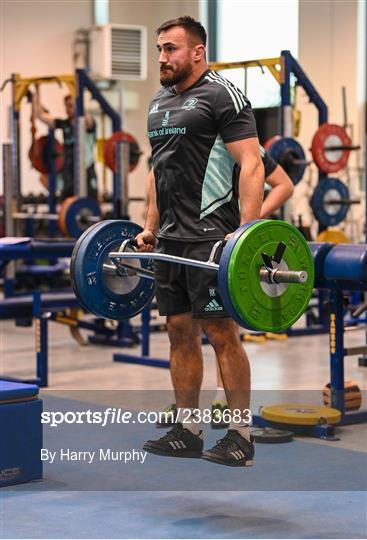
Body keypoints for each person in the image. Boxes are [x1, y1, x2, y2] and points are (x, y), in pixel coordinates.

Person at [136, 16, 264, 467]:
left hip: (212, 235)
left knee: (221, 332)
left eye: (170, 48)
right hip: (171, 239)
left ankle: (240, 435)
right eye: (159, 49)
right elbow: (157, 171)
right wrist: (150, 225)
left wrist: (246, 234)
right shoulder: (157, 103)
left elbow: (251, 164)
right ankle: (188, 429)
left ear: (197, 51)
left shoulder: (221, 94)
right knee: (177, 332)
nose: (162, 58)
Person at [156, 150, 294, 429]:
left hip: (223, 243)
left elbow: (284, 185)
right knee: (182, 330)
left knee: (221, 330)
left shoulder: (240, 143)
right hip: (180, 240)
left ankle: (223, 401)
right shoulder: (182, 137)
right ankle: (187, 411)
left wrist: (248, 222)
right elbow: (157, 179)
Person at [32, 92, 98, 201]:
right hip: (69, 174)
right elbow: (41, 116)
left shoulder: (87, 123)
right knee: (66, 207)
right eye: (66, 106)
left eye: (71, 105)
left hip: (86, 172)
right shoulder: (64, 124)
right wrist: (35, 95)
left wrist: (79, 99)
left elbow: (88, 119)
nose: (68, 109)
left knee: (90, 205)